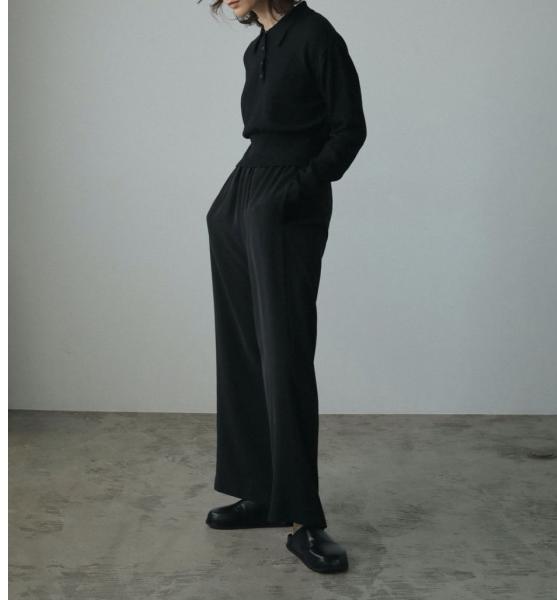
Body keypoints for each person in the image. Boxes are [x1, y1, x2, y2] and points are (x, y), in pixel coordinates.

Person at [202, 0, 366, 574]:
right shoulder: (257, 49)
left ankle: (303, 518)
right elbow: (262, 133)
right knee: (244, 351)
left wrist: (297, 189)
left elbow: (349, 130)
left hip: (285, 204)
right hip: (242, 196)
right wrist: (233, 206)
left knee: (285, 355)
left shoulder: (318, 36)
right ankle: (261, 492)